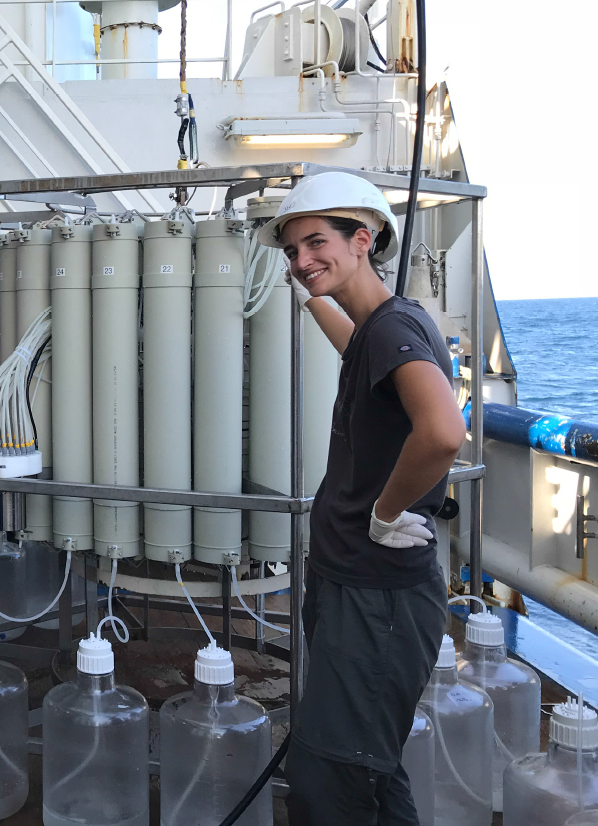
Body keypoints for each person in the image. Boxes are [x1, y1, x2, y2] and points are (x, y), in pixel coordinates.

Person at [257, 172, 467, 825]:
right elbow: (357, 350)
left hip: (378, 596)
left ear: (363, 238)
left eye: (316, 243)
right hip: (351, 584)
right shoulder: (374, 330)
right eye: (291, 251)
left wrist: (385, 513)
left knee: (333, 779)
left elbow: (442, 433)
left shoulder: (392, 327)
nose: (301, 260)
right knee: (368, 767)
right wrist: (306, 292)